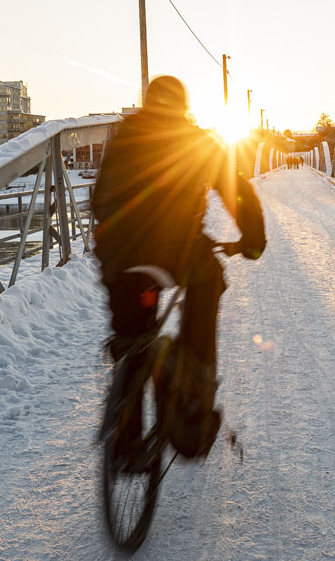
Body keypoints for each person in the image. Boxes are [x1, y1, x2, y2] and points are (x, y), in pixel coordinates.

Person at [93, 75, 265, 461]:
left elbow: (100, 197)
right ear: (182, 108)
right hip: (176, 251)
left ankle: (126, 440)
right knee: (210, 281)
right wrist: (252, 240)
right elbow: (235, 188)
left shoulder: (123, 137)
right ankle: (192, 384)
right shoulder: (196, 140)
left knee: (131, 336)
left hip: (118, 254)